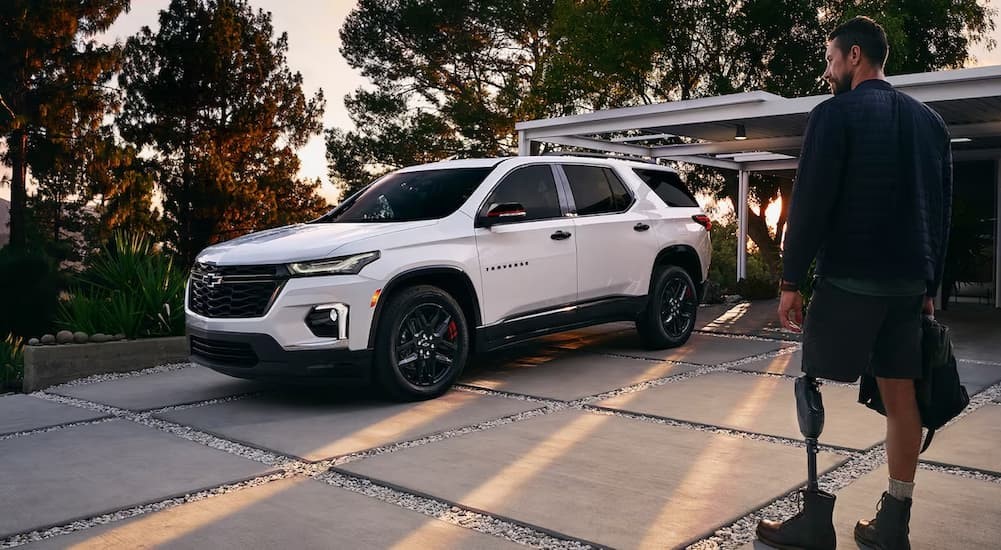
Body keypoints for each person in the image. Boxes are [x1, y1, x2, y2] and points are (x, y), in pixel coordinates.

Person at [756, 16, 952, 550]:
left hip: (850, 281)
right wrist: (930, 286)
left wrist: (791, 281)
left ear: (856, 56)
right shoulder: (929, 123)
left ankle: (815, 523)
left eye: (830, 59)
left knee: (811, 380)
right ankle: (894, 523)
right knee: (902, 398)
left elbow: (812, 201)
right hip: (908, 286)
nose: (827, 71)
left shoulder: (834, 116)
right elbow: (940, 209)